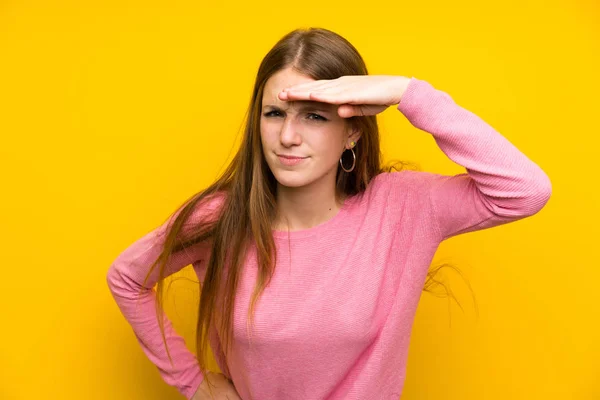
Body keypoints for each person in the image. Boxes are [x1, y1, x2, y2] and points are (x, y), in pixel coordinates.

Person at [106, 27, 552, 400]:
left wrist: (409, 93)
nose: (287, 136)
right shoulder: (223, 217)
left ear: (352, 131)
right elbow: (126, 278)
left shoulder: (403, 209)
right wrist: (194, 383)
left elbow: (525, 190)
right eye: (274, 113)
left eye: (315, 117)